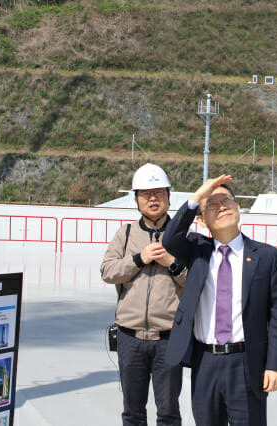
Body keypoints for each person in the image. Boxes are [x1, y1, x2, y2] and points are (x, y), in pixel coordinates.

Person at [163, 175, 277, 426]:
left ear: (238, 208)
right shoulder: (196, 249)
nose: (221, 206)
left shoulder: (266, 256)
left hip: (246, 362)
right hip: (205, 361)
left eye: (227, 200)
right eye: (212, 204)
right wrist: (197, 196)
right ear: (201, 220)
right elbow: (170, 239)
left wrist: (275, 365)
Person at [100, 163, 187, 425]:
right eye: (146, 194)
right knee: (133, 412)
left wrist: (171, 263)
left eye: (159, 193)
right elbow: (108, 271)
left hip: (169, 338)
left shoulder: (184, 238)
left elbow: (196, 281)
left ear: (169, 197)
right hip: (130, 337)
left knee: (169, 412)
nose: (153, 199)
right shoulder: (125, 234)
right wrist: (139, 258)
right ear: (136, 199)